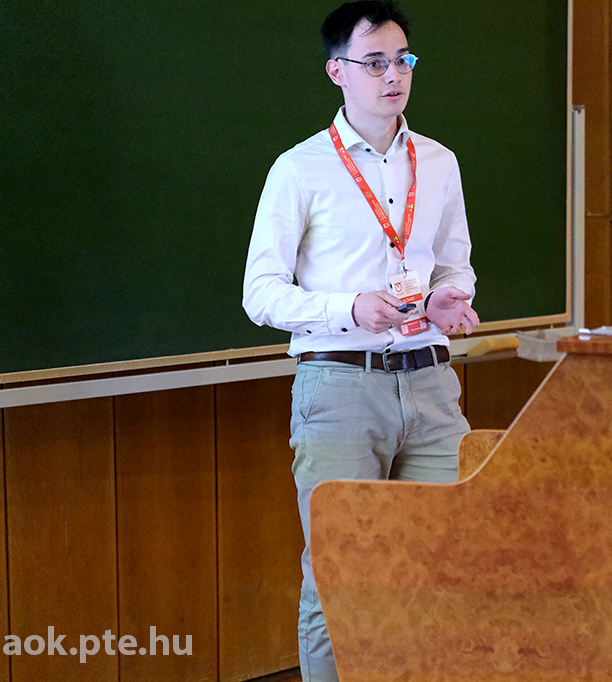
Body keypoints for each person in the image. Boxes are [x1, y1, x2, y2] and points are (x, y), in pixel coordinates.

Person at [241, 2, 479, 680]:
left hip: (431, 384)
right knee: (339, 580)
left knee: (448, 567)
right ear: (337, 72)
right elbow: (260, 294)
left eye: (402, 60)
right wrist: (348, 308)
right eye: (374, 62)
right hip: (340, 386)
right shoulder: (300, 168)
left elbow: (453, 264)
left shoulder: (438, 162)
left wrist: (447, 296)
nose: (393, 75)